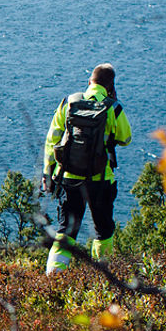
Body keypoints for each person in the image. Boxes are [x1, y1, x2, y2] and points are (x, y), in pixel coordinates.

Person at [41, 63, 131, 271]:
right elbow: (126, 138)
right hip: (101, 180)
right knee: (103, 230)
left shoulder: (69, 102)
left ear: (90, 81)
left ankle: (53, 276)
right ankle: (102, 275)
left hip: (69, 177)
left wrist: (47, 172)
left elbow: (52, 139)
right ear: (111, 86)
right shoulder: (113, 107)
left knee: (66, 230)